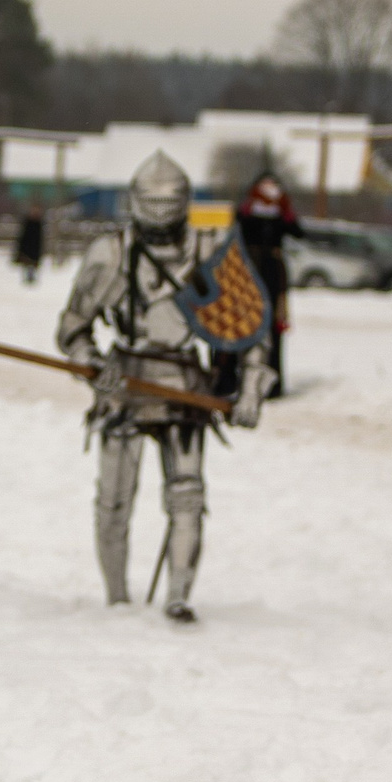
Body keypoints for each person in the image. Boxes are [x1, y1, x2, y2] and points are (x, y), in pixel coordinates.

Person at [56, 151, 268, 623]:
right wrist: (96, 369)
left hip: (185, 386)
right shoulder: (111, 254)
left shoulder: (211, 249)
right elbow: (73, 330)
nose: (158, 218)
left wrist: (251, 388)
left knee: (187, 496)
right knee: (114, 499)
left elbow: (251, 329)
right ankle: (116, 598)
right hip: (124, 388)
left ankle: (178, 596)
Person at [234, 170, 301, 394]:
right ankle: (241, 378)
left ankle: (272, 382)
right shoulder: (248, 210)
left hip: (273, 270)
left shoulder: (281, 210)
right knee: (247, 322)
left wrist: (286, 215)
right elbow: (237, 229)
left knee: (272, 325)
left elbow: (298, 232)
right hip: (250, 269)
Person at [13, 206, 46, 285]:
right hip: (27, 246)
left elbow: (40, 237)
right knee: (26, 263)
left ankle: (32, 277)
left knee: (33, 264)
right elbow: (23, 235)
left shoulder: (39, 224)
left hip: (35, 247)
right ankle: (26, 278)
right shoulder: (27, 223)